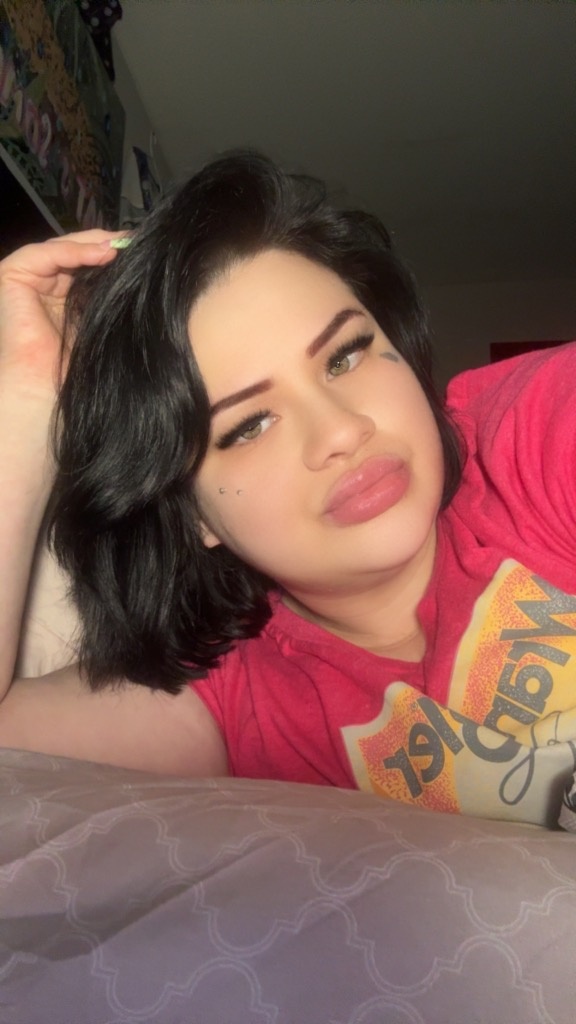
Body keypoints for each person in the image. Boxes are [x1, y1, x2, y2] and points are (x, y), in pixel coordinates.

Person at [0, 151, 575, 828]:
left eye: (345, 355)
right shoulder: (239, 707)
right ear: (192, 515)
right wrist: (25, 395)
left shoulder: (530, 435)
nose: (341, 430)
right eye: (248, 426)